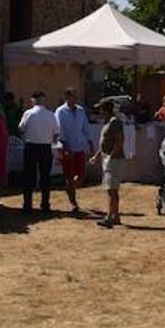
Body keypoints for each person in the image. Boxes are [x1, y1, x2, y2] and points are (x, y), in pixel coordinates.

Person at [54, 88, 94, 214]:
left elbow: (85, 128)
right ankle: (73, 202)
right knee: (70, 176)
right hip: (67, 147)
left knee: (81, 175)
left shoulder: (81, 111)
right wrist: (65, 147)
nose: (75, 98)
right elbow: (59, 130)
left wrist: (89, 141)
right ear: (67, 97)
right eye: (73, 96)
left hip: (79, 146)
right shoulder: (60, 111)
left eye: (76, 96)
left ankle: (70, 190)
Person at [19, 91, 59, 214]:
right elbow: (56, 133)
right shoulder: (51, 115)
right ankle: (45, 204)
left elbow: (21, 128)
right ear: (43, 100)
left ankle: (27, 205)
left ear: (33, 100)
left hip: (31, 146)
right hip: (46, 147)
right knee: (45, 176)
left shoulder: (28, 113)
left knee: (29, 176)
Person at [91, 97, 126, 228]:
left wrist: (112, 156)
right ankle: (114, 215)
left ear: (105, 110)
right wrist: (97, 155)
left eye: (100, 108)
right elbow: (105, 142)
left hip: (114, 159)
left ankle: (111, 216)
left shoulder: (115, 122)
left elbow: (119, 140)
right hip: (109, 157)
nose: (99, 111)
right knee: (110, 189)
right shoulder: (108, 122)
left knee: (112, 189)